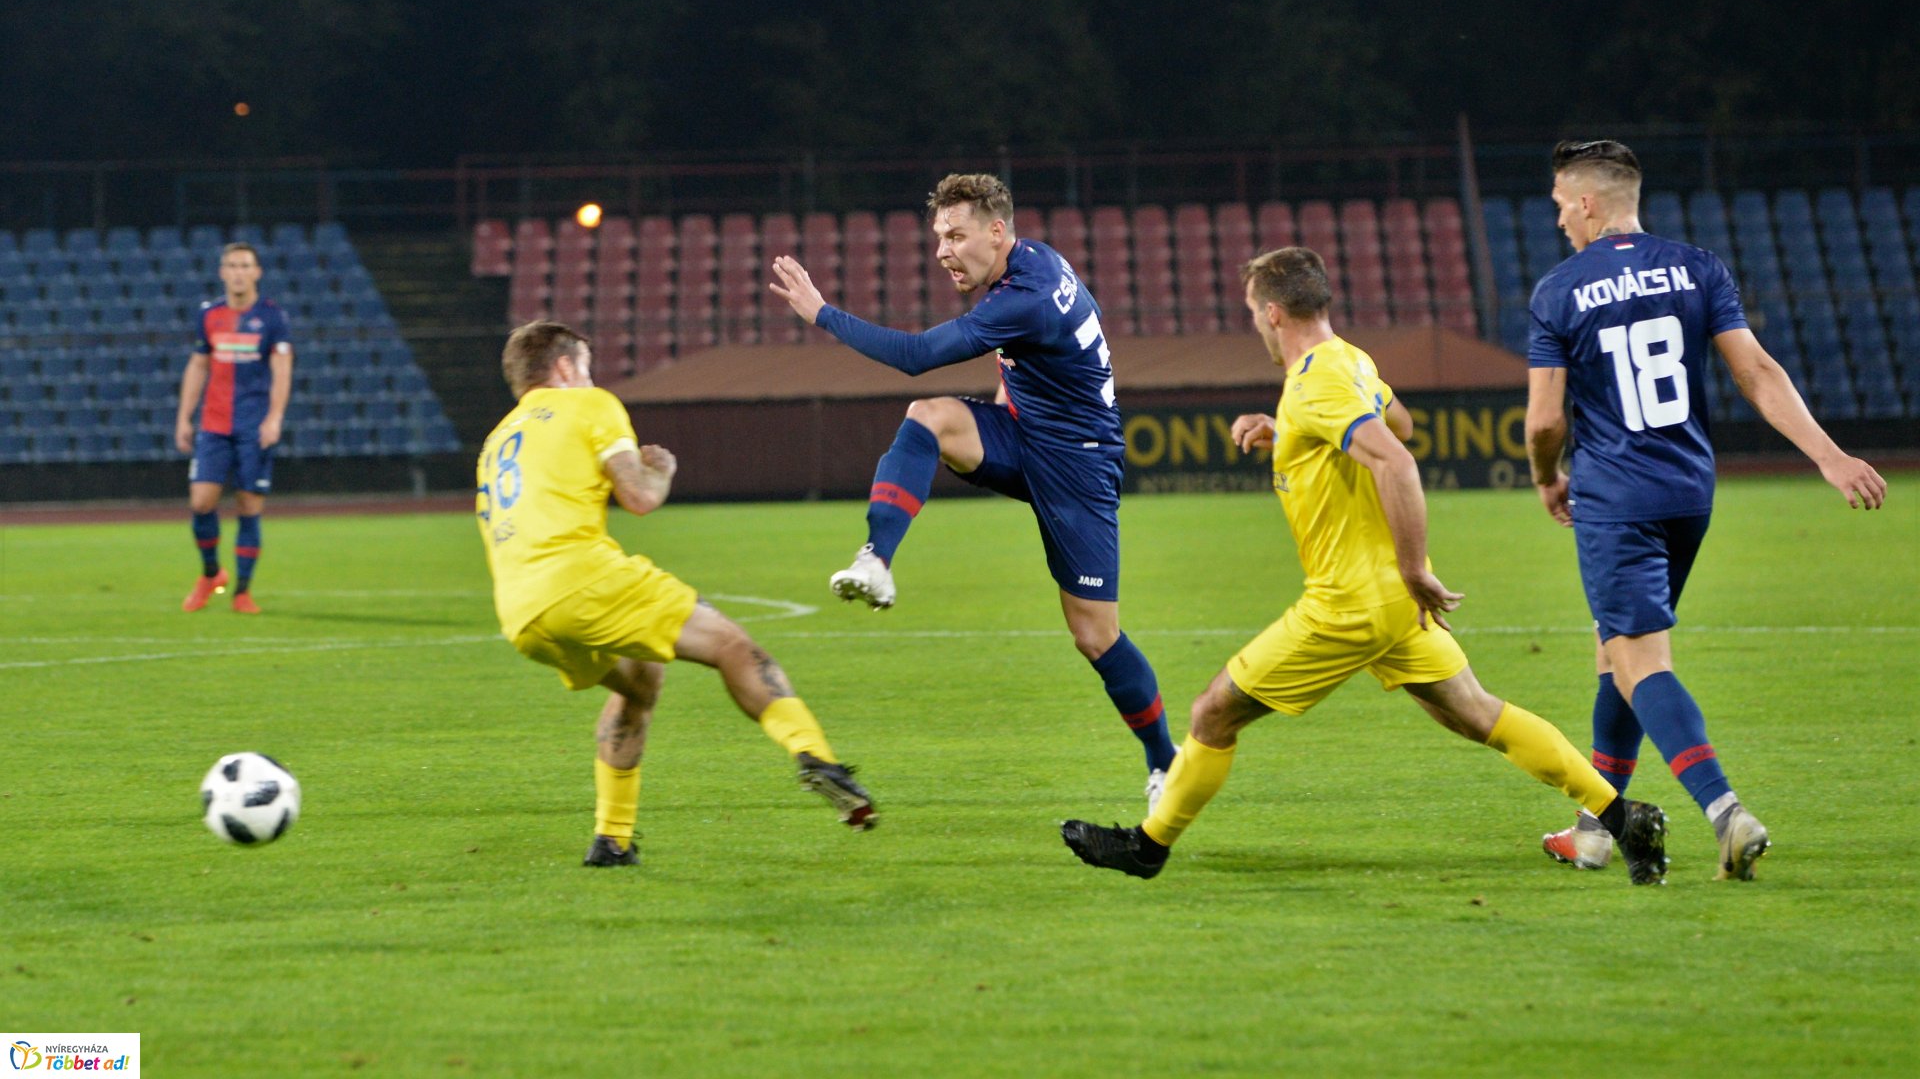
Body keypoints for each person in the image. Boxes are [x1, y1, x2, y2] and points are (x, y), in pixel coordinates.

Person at [1058, 247, 1672, 884]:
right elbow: (1400, 423)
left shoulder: (1317, 379)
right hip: (1395, 608)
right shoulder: (1351, 361)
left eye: (1252, 313)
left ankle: (1148, 847)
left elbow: (1396, 460)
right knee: (1478, 713)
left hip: (1350, 604)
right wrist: (1290, 430)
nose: (1254, 325)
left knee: (1212, 713)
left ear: (1272, 312)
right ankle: (1623, 817)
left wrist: (1413, 567)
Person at [1525, 139, 1886, 882]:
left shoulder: (1559, 289)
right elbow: (1754, 370)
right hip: (1689, 492)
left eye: (1563, 204)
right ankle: (1597, 828)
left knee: (1639, 659)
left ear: (1589, 202)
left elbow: (1542, 422)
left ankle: (1725, 813)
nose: (1559, 218)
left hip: (1615, 495)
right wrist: (1828, 454)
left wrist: (1545, 476)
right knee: (1614, 656)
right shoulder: (1698, 267)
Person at [769, 173, 1180, 806]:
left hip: (1080, 466)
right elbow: (1017, 355)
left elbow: (916, 353)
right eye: (938, 237)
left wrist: (822, 313)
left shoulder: (1028, 293)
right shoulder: (1030, 260)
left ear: (996, 231)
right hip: (1026, 435)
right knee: (927, 415)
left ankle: (1164, 761)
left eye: (955, 235)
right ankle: (875, 560)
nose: (943, 251)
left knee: (1094, 635)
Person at [476, 321, 876, 866]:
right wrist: (660, 471)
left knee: (641, 680)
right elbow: (639, 497)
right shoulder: (588, 404)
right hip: (582, 580)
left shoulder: (496, 440)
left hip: (522, 613)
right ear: (566, 368)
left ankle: (611, 841)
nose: (590, 377)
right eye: (586, 367)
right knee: (733, 647)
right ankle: (817, 757)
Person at [175, 241, 293, 615]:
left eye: (245, 265)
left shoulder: (273, 318)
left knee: (248, 505)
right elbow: (198, 365)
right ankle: (211, 573)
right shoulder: (209, 315)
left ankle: (242, 591)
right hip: (214, 422)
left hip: (253, 425)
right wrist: (183, 416)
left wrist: (274, 417)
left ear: (257, 272)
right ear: (222, 272)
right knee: (201, 502)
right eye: (232, 265)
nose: (238, 272)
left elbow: (282, 370)